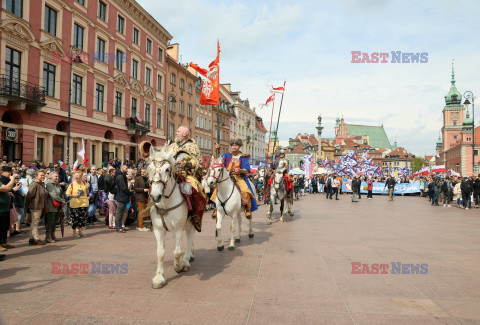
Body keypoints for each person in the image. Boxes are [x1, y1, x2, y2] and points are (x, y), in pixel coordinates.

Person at [212, 138, 258, 218]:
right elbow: (217, 160)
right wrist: (217, 149)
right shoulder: (227, 155)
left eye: (236, 145)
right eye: (233, 145)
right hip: (227, 177)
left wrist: (239, 170)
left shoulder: (243, 157)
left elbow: (247, 170)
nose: (234, 147)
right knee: (217, 189)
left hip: (238, 177)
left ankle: (247, 208)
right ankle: (216, 208)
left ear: (239, 146)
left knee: (246, 190)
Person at [25, 170, 48, 245]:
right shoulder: (34, 184)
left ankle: (31, 239)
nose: (43, 176)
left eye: (43, 175)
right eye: (41, 175)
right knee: (35, 223)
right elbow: (29, 196)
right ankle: (37, 239)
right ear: (36, 176)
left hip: (40, 206)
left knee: (35, 222)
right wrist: (27, 206)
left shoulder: (41, 184)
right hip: (35, 206)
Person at [65, 170, 89, 238]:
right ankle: (74, 232)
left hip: (83, 204)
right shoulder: (72, 184)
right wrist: (74, 195)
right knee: (75, 219)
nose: (76, 178)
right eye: (75, 177)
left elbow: (85, 193)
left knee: (82, 219)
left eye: (78, 177)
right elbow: (67, 194)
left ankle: (80, 231)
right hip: (75, 204)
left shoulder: (84, 183)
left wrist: (87, 188)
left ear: (81, 177)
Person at [0, 166, 19, 251]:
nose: (9, 173)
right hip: (0, 209)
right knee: (1, 227)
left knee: (5, 226)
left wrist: (14, 190)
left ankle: (3, 242)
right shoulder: (2, 179)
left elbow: (8, 190)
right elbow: (6, 188)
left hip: (5, 208)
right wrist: (12, 179)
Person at [45, 171, 65, 243]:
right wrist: (62, 200)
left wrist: (62, 200)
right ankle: (48, 237)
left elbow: (61, 193)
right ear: (51, 177)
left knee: (55, 222)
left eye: (57, 176)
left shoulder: (57, 184)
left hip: (57, 206)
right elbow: (54, 195)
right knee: (50, 222)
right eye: (55, 176)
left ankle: (53, 235)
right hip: (51, 206)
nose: (57, 178)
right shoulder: (49, 184)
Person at [114, 165, 130, 233]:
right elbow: (123, 187)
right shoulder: (120, 176)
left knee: (121, 212)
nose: (127, 170)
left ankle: (119, 226)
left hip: (122, 196)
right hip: (121, 196)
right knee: (119, 212)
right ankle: (118, 227)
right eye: (126, 168)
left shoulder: (121, 175)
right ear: (122, 168)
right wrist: (128, 193)